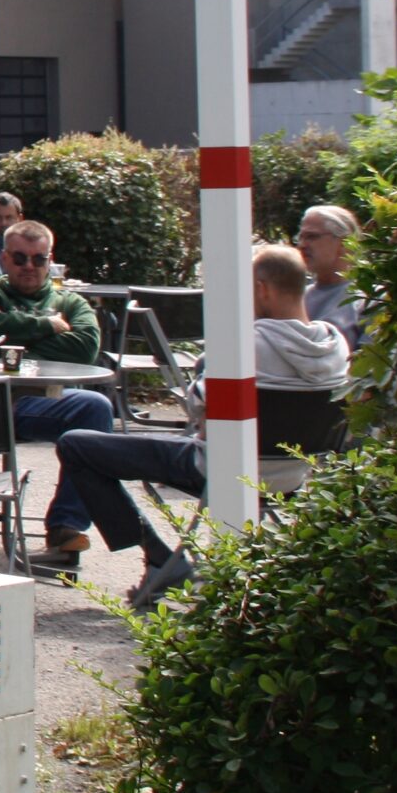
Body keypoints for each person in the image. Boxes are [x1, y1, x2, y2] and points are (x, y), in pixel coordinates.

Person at [54, 243, 349, 611]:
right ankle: (168, 565)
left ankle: (161, 557)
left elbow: (199, 411)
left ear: (262, 289)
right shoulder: (335, 346)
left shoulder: (243, 346)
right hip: (293, 480)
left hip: (221, 470)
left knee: (77, 444)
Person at [0, 219, 115, 571]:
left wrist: (10, 335)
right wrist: (46, 325)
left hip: (43, 402)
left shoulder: (70, 302)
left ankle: (65, 528)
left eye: (38, 259)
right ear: (5, 258)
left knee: (96, 407)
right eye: (19, 258)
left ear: (49, 260)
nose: (29, 266)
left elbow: (85, 347)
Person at [297, 204, 363, 347]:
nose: (302, 245)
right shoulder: (294, 297)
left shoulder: (368, 300)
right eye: (300, 237)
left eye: (311, 237)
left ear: (344, 242)